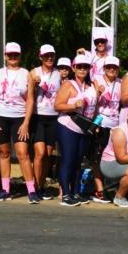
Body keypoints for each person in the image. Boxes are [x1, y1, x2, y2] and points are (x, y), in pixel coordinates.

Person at [0, 42, 38, 203]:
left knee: (23, 153)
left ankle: (31, 190)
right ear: (5, 56)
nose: (13, 57)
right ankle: (5, 189)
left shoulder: (26, 74)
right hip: (1, 117)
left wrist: (26, 122)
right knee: (4, 153)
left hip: (19, 118)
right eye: (10, 55)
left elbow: (30, 99)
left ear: (20, 56)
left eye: (16, 55)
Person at [55, 54, 98, 206]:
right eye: (79, 66)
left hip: (84, 128)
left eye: (85, 67)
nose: (82, 69)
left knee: (78, 162)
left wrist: (95, 124)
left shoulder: (92, 86)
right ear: (73, 68)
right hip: (68, 126)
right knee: (68, 159)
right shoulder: (68, 85)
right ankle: (65, 194)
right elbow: (57, 105)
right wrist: (73, 106)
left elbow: (95, 108)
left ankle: (75, 192)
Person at [30, 44, 60, 199]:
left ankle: (41, 186)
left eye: (52, 56)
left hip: (53, 117)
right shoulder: (34, 72)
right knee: (40, 153)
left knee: (48, 154)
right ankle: (34, 187)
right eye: (46, 55)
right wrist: (34, 86)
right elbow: (26, 95)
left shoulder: (58, 73)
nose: (49, 58)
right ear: (40, 57)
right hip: (38, 116)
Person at [91, 55, 122, 203]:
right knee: (97, 156)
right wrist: (97, 93)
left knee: (112, 157)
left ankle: (110, 186)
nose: (111, 69)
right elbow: (89, 102)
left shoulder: (121, 83)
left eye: (114, 67)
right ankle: (99, 188)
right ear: (104, 68)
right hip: (100, 123)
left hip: (115, 125)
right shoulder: (97, 80)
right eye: (109, 67)